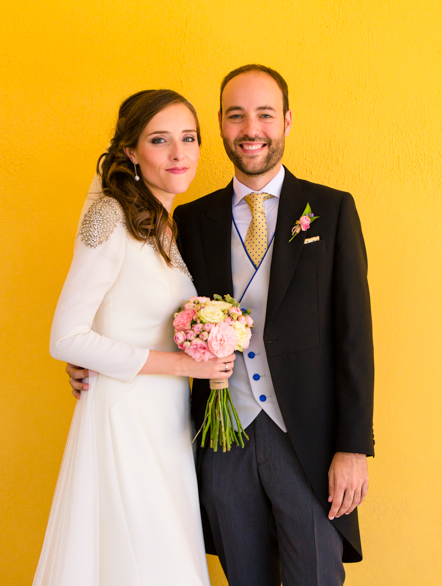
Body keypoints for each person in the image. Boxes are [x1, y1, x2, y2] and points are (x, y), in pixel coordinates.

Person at [70, 65, 375, 586]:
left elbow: (354, 338)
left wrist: (354, 446)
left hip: (306, 442)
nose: (250, 128)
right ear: (221, 125)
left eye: (264, 114)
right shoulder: (189, 219)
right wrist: (87, 354)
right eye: (236, 116)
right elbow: (145, 303)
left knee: (317, 578)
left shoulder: (330, 209)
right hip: (220, 439)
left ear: (287, 121)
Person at [35, 89, 234, 586]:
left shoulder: (165, 226)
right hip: (125, 420)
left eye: (188, 139)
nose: (178, 154)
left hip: (166, 423)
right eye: (160, 140)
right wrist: (188, 366)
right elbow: (67, 336)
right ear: (130, 152)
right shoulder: (110, 215)